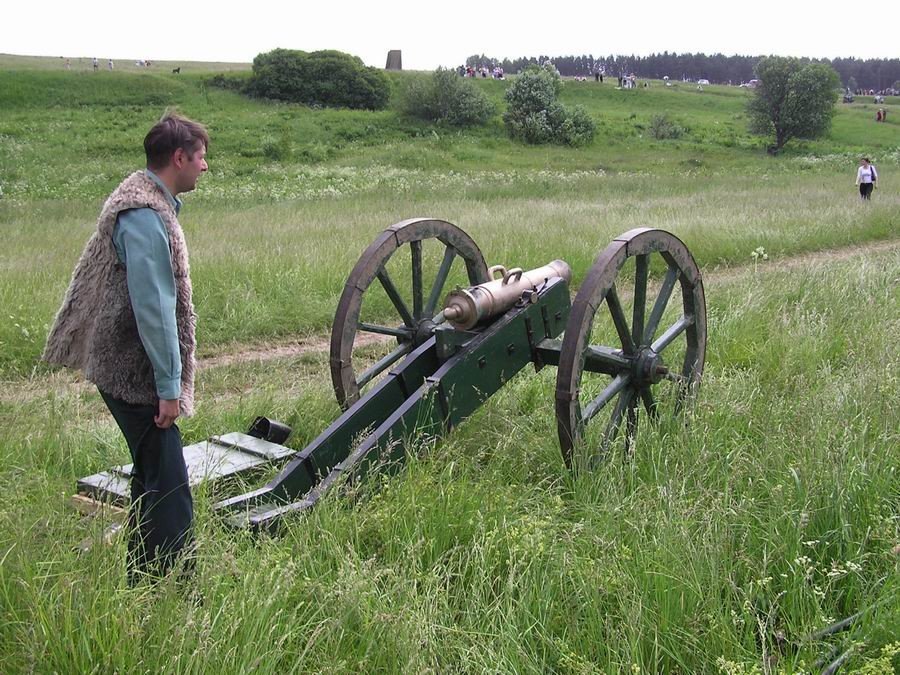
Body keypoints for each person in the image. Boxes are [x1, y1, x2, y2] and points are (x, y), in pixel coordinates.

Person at [43, 113, 209, 583]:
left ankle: (142, 579)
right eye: (200, 158)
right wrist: (169, 386)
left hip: (127, 366)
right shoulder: (143, 214)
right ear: (179, 157)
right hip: (131, 371)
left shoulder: (149, 203)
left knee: (152, 473)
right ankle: (175, 588)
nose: (205, 167)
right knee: (171, 484)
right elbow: (153, 307)